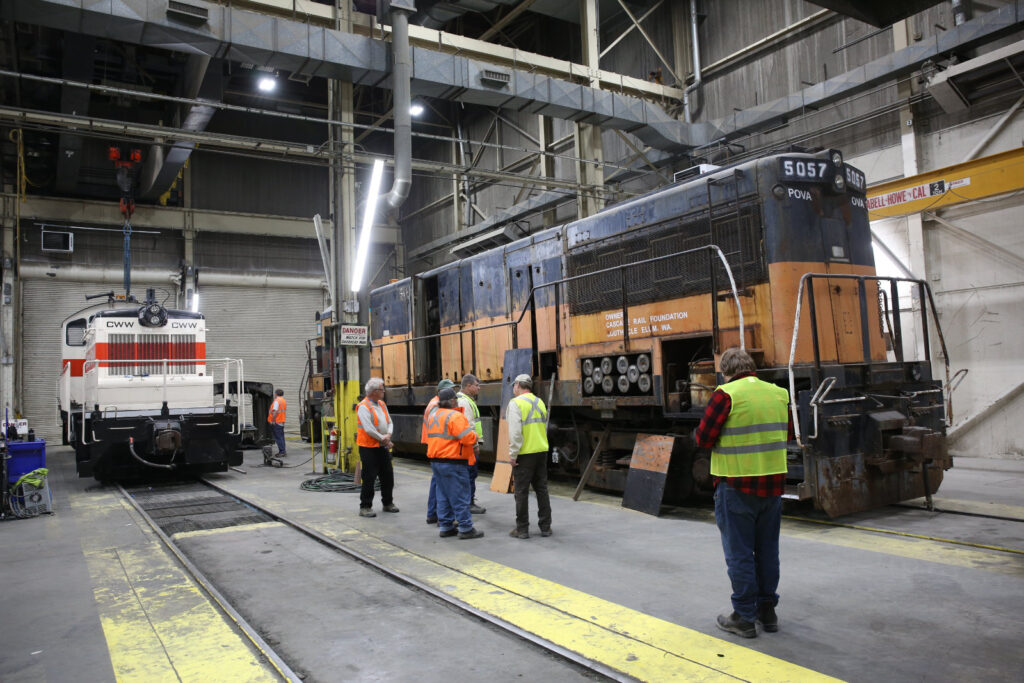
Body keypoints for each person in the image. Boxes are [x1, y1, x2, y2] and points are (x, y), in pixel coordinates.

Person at [695, 347, 789, 639]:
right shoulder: (778, 393)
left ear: (726, 370)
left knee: (740, 554)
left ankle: (745, 617)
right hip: (772, 486)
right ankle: (767, 612)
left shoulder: (726, 394)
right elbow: (784, 435)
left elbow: (704, 438)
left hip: (736, 485)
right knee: (767, 551)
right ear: (751, 367)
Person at [425, 387, 483, 539]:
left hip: (436, 461)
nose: (457, 402)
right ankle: (465, 528)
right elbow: (467, 438)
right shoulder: (455, 416)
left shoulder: (434, 416)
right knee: (461, 494)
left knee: (443, 494)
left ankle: (446, 526)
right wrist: (475, 435)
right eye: (456, 400)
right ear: (452, 401)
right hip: (453, 462)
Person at [506, 374, 551, 539]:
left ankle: (522, 529)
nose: (513, 389)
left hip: (525, 454)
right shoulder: (539, 402)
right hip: (541, 451)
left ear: (518, 385)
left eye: (513, 386)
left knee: (521, 492)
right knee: (542, 490)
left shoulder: (516, 403)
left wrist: (513, 455)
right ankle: (546, 527)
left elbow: (516, 433)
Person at [356, 377, 398, 518]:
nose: (384, 391)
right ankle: (365, 506)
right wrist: (384, 439)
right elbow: (368, 429)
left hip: (382, 446)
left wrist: (388, 435)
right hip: (368, 447)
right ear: (374, 392)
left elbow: (389, 422)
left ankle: (388, 503)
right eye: (382, 389)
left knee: (388, 476)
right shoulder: (363, 406)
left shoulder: (381, 404)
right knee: (369, 477)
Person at [424, 378, 455, 524]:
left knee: (438, 482)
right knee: (439, 483)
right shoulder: (435, 406)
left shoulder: (435, 404)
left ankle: (435, 514)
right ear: (440, 392)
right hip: (438, 448)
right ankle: (436, 514)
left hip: (436, 446)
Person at [457, 373, 487, 515]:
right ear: (468, 386)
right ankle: (469, 503)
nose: (479, 388)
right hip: (469, 446)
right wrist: (475, 444)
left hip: (468, 444)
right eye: (477, 385)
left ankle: (468, 501)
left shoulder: (465, 400)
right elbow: (468, 426)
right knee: (470, 474)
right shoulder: (464, 402)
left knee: (469, 474)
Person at [268, 388, 287, 456]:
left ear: (276, 394)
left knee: (278, 437)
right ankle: (283, 451)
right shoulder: (283, 400)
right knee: (281, 437)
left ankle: (282, 452)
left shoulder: (277, 401)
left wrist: (273, 421)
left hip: (276, 421)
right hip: (281, 421)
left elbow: (275, 412)